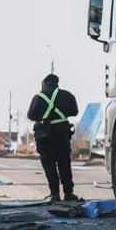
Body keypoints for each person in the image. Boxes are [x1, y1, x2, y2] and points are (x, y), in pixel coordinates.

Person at [27, 73, 81, 202]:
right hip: (62, 134)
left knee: (49, 165)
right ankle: (68, 194)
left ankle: (55, 194)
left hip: (45, 136)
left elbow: (31, 115)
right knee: (64, 164)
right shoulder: (67, 95)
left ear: (45, 84)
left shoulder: (38, 97)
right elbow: (74, 112)